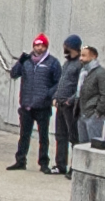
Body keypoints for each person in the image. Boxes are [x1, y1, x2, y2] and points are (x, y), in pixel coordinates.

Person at [11, 36, 66, 174]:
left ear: (46, 47)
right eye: (37, 45)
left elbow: (58, 81)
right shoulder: (27, 61)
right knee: (24, 135)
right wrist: (19, 62)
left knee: (43, 137)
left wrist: (48, 94)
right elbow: (13, 74)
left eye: (42, 45)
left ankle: (43, 163)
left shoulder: (52, 62)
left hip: (42, 106)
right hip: (26, 105)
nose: (39, 48)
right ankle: (20, 160)